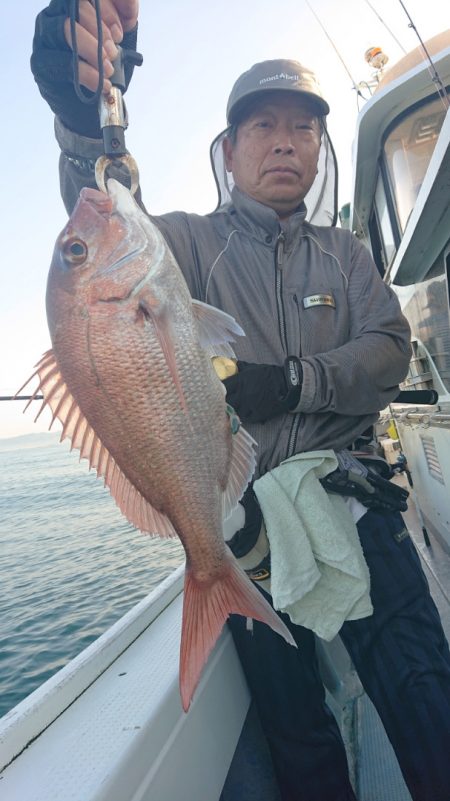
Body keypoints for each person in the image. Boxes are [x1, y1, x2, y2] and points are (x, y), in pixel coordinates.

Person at [31, 3, 450, 800]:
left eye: (303, 128)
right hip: (250, 530)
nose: (285, 141)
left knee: (428, 699)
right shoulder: (180, 245)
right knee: (299, 738)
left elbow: (390, 351)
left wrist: (294, 379)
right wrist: (81, 109)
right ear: (227, 151)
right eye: (262, 127)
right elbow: (104, 192)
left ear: (321, 149)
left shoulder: (349, 253)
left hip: (360, 502)